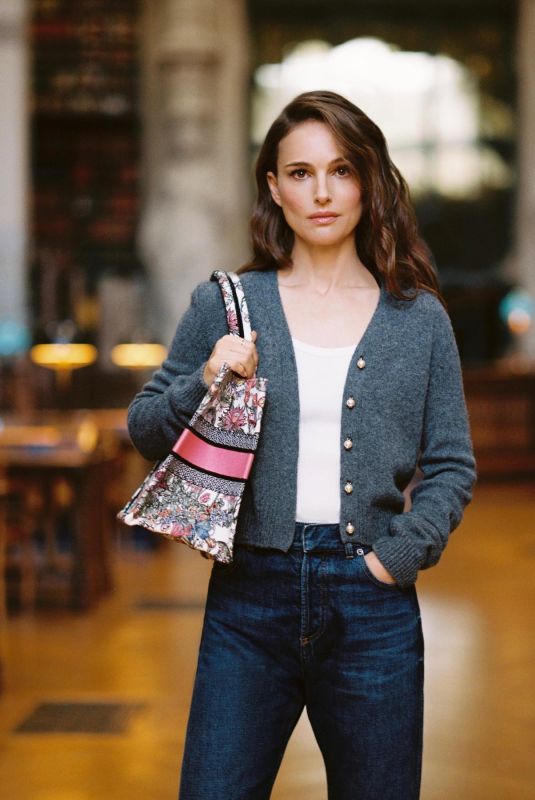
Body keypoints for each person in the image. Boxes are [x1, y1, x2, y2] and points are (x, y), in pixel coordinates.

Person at [127, 90, 477, 800]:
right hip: (248, 599)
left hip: (372, 604)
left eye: (340, 170)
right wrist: (204, 377)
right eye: (299, 172)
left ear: (368, 180)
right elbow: (144, 428)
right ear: (273, 186)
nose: (321, 192)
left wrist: (393, 559)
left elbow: (449, 465)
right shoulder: (227, 304)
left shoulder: (418, 320)